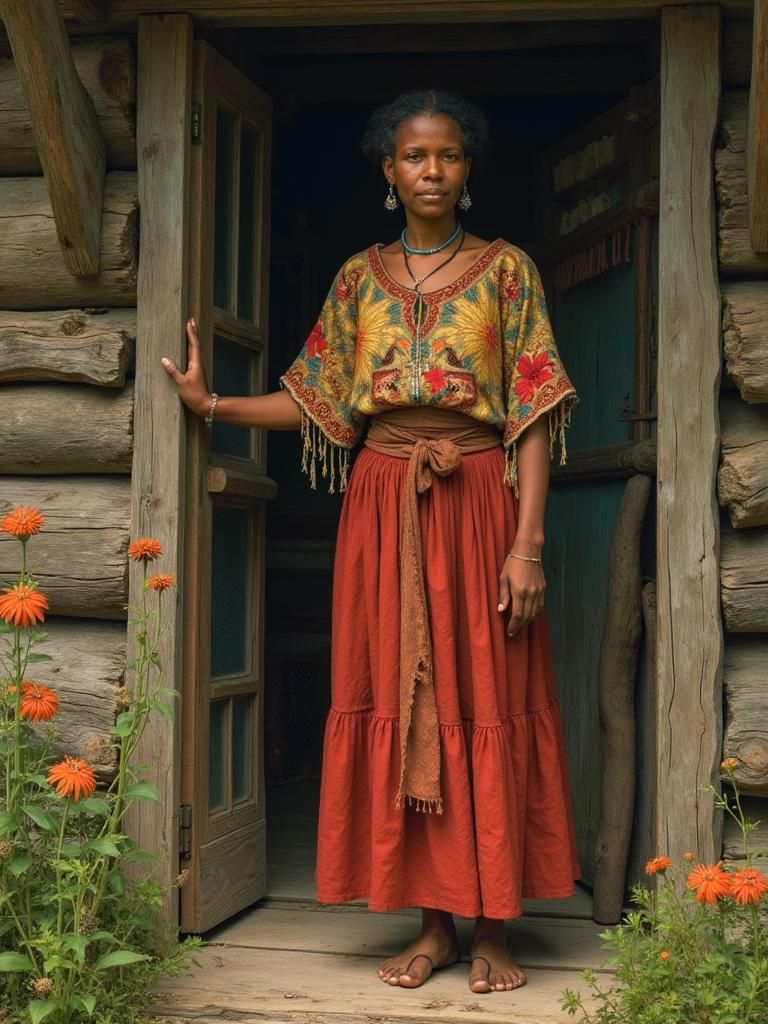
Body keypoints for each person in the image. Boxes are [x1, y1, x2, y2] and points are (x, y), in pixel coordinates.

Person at [162, 90, 580, 995]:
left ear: (469, 171)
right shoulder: (357, 279)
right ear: (388, 173)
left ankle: (496, 926)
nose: (432, 170)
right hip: (384, 509)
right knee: (406, 694)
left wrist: (529, 543)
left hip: (478, 506)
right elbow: (319, 400)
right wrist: (217, 405)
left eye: (449, 156)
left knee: (488, 698)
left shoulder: (508, 273)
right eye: (414, 157)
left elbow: (537, 412)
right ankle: (434, 924)